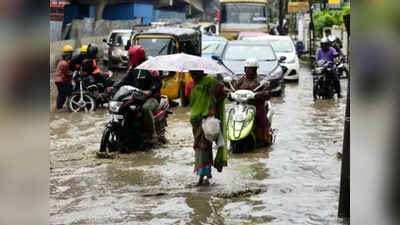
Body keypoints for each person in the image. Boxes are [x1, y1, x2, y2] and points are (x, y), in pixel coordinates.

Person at [107, 46, 162, 144]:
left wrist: (150, 91)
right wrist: (114, 88)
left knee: (145, 108)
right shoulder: (132, 69)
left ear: (137, 56)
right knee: (124, 107)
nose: (129, 58)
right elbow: (124, 81)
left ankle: (152, 134)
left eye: (131, 56)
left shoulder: (151, 67)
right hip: (136, 96)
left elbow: (157, 83)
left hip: (151, 98)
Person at [187, 70, 227, 186]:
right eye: (191, 73)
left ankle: (202, 177)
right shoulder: (190, 85)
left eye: (195, 72)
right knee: (199, 148)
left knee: (204, 147)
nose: (193, 75)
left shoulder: (211, 82)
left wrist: (213, 103)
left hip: (208, 120)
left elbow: (223, 94)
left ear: (201, 71)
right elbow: (185, 103)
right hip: (195, 121)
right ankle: (205, 176)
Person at [232, 58, 273, 147]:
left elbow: (268, 93)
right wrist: (230, 94)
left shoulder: (260, 81)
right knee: (232, 118)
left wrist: (256, 95)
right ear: (244, 69)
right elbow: (233, 90)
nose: (248, 71)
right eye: (247, 68)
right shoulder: (240, 80)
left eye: (251, 69)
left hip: (256, 107)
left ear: (255, 70)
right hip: (241, 107)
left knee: (263, 122)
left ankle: (266, 139)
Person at [54, 45, 74, 109]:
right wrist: (75, 73)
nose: (71, 56)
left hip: (58, 80)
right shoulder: (64, 63)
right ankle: (72, 104)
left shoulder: (62, 62)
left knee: (61, 94)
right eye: (70, 55)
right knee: (68, 92)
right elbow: (68, 73)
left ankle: (59, 107)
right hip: (61, 81)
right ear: (67, 55)